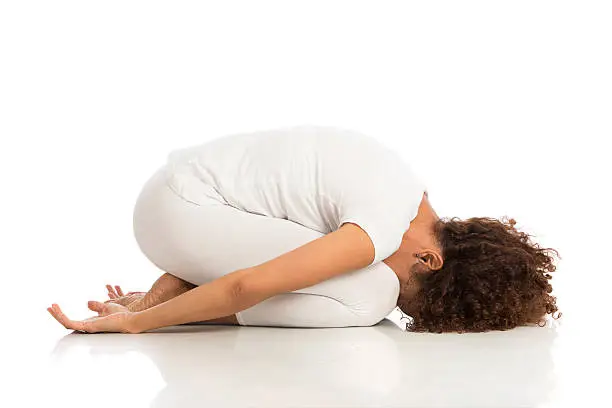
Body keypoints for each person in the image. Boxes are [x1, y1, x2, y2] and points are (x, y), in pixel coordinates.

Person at [47, 125, 561, 334]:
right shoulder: (378, 230)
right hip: (180, 213)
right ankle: (161, 301)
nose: (396, 295)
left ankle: (165, 292)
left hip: (178, 201)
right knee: (367, 296)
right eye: (411, 296)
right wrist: (139, 326)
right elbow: (248, 286)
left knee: (339, 281)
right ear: (429, 261)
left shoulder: (403, 188)